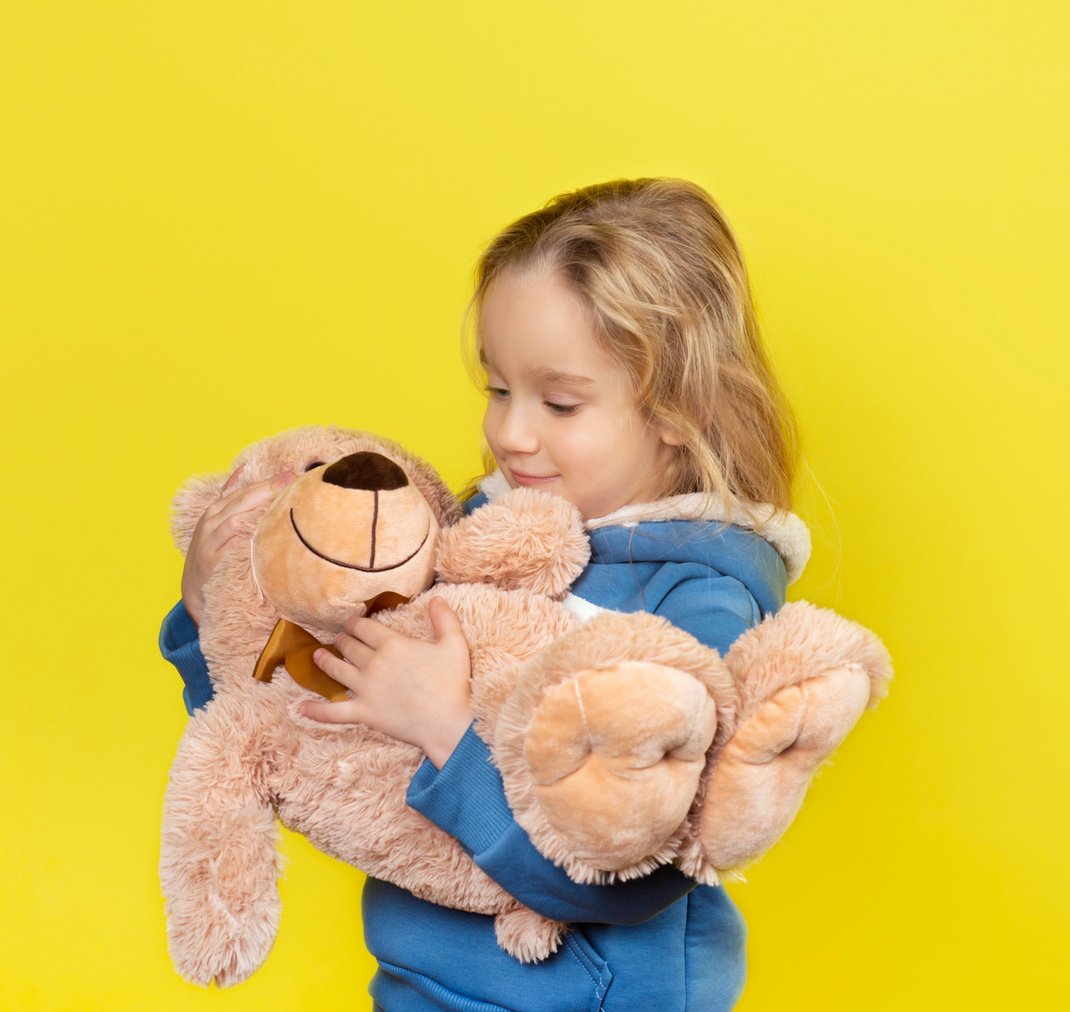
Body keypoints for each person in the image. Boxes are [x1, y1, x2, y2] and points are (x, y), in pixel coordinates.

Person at [159, 177, 807, 1011]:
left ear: (679, 409)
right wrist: (208, 612)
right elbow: (303, 736)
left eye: (560, 401)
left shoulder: (698, 603)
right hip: (420, 983)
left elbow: (634, 874)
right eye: (498, 389)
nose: (510, 432)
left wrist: (445, 728)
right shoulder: (467, 540)